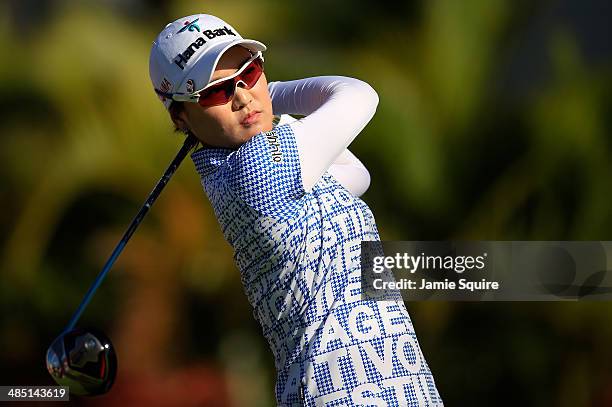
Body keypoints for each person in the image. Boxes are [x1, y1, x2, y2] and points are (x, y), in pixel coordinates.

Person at [149, 14, 443, 406]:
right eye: (217, 91)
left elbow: (355, 176)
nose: (242, 96)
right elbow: (359, 95)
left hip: (395, 388)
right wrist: (278, 94)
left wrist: (268, 108)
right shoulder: (259, 170)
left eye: (250, 73)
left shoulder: (256, 166)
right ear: (181, 116)